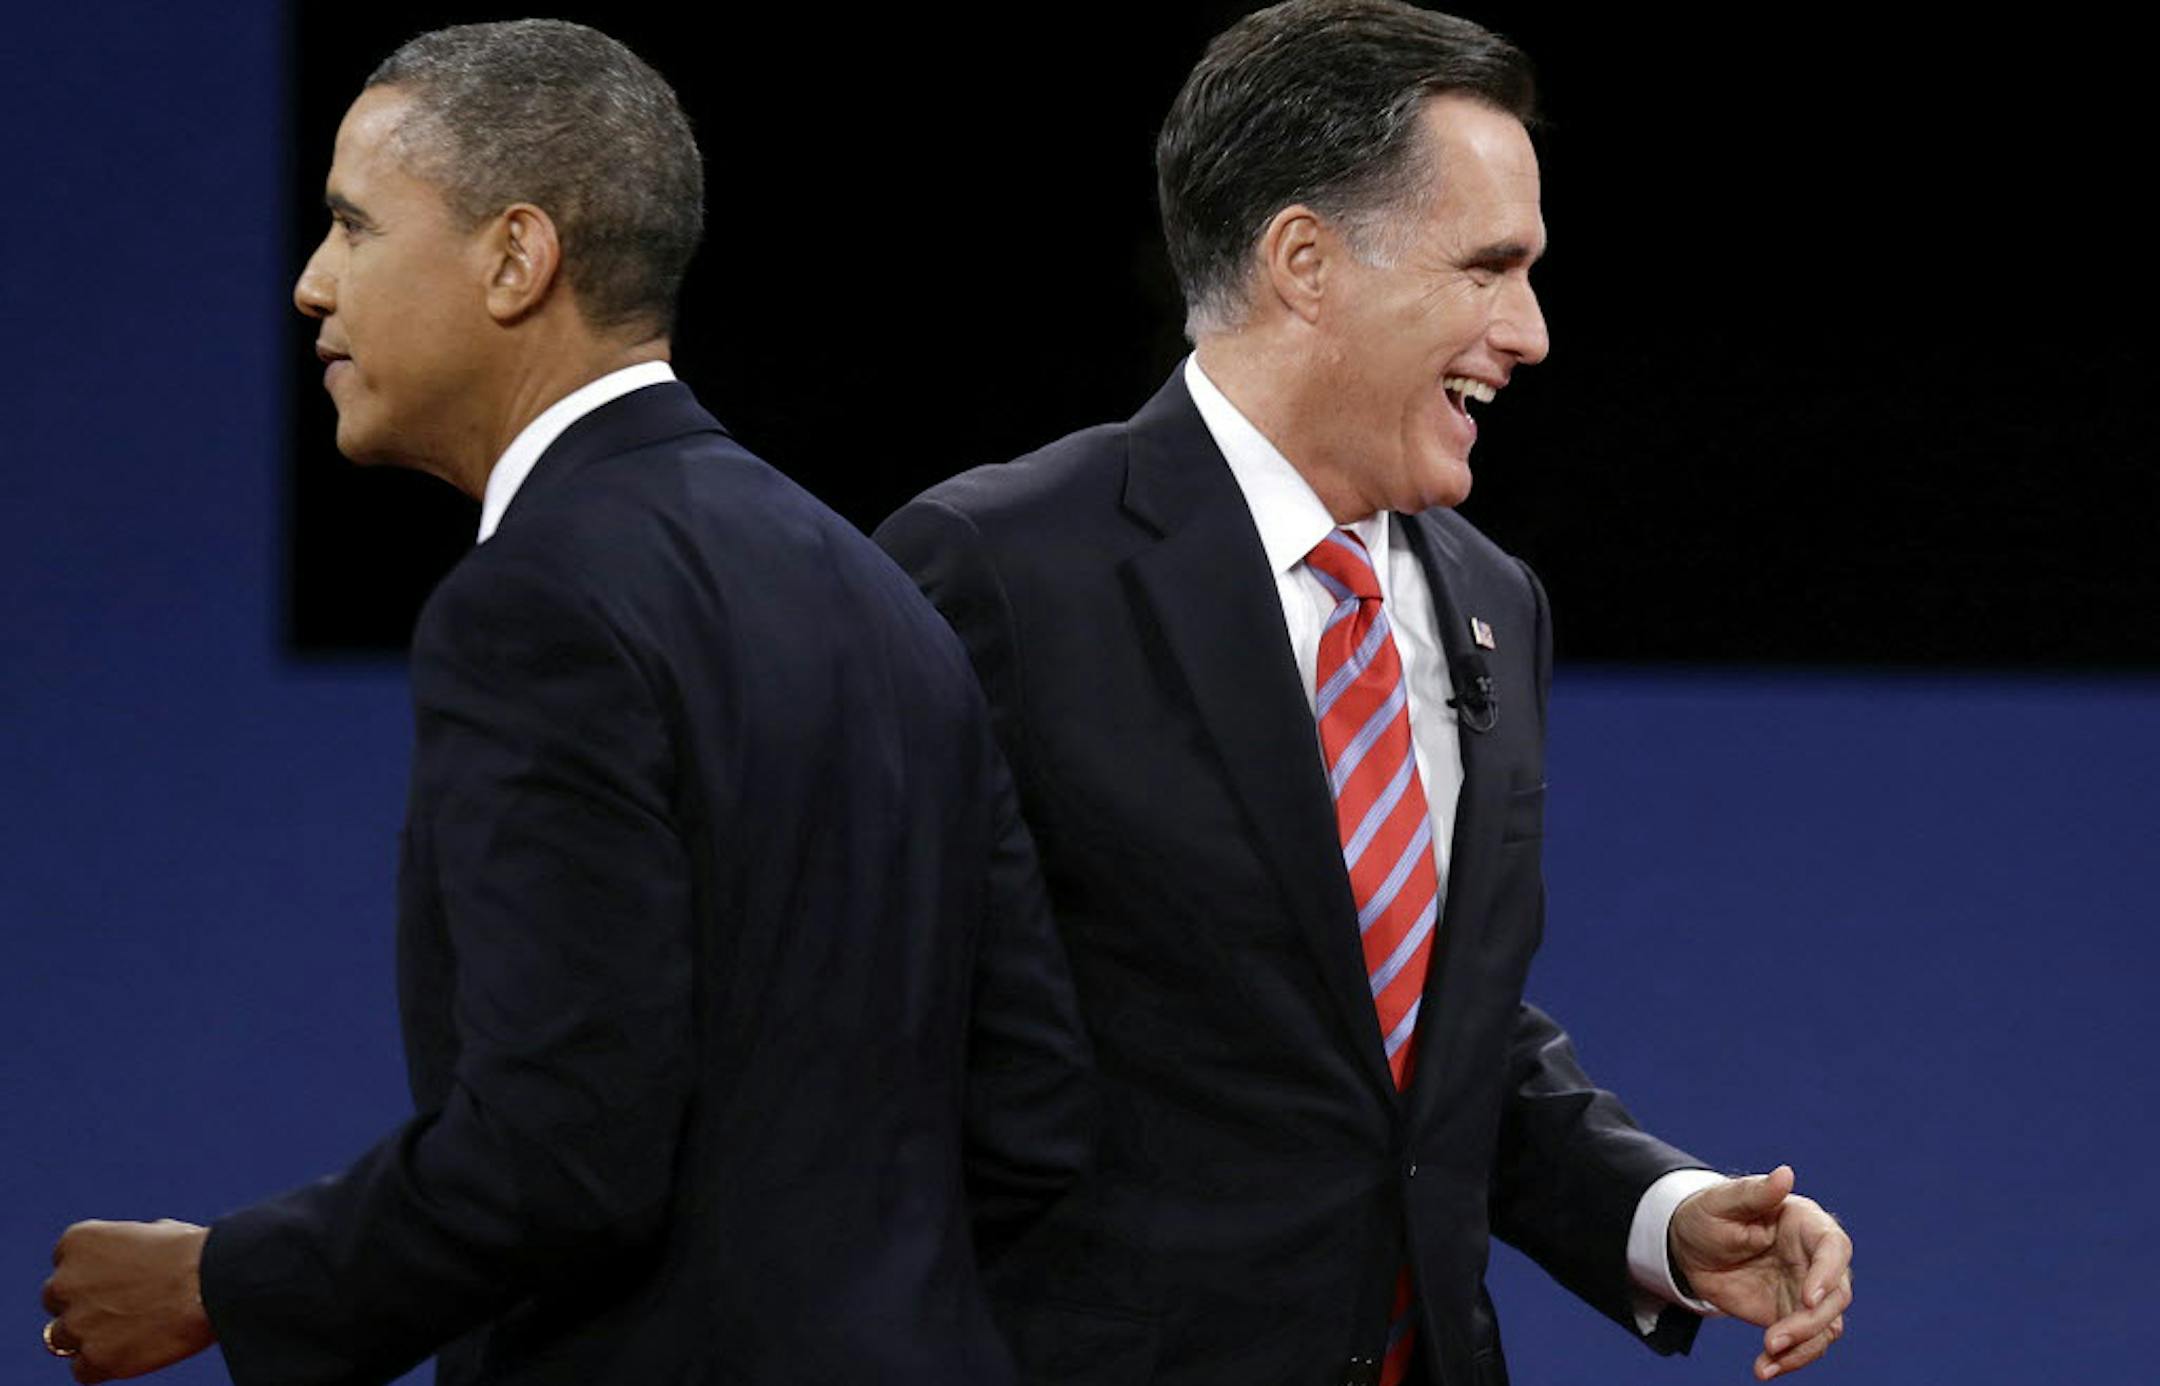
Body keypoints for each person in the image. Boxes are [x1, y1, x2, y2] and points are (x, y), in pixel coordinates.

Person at [39, 20, 1090, 1386]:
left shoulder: (533, 603)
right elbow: (1036, 1112)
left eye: (355, 225)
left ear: (516, 258)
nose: (310, 285)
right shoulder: (879, 589)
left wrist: (223, 1278)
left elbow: (563, 1146)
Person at [874, 3, 1852, 1385]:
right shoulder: (998, 571)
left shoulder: (1492, 602)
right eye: (1490, 268)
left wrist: (1663, 1215)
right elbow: (854, 1051)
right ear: (1304, 262)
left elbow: (1414, 1043)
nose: (1531, 331)